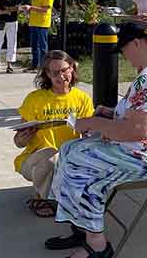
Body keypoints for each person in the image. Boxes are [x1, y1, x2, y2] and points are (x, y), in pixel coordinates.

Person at [44, 22, 147, 258]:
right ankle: (82, 226)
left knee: (80, 161)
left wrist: (91, 123)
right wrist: (111, 114)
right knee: (69, 149)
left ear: (137, 43)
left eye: (124, 50)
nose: (124, 56)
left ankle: (97, 245)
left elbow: (136, 131)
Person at [14, 50, 94, 218]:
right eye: (55, 72)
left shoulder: (82, 98)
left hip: (70, 157)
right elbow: (18, 143)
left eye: (65, 70)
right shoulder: (35, 99)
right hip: (36, 160)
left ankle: (60, 195)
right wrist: (23, 137)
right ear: (47, 75)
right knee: (52, 156)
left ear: (72, 68)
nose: (62, 76)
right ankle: (41, 199)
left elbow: (90, 134)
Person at [24, 0, 55, 72]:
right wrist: (28, 10)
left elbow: (45, 9)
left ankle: (43, 67)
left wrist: (31, 7)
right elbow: (35, 6)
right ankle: (34, 65)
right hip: (33, 22)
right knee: (34, 45)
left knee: (42, 47)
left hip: (42, 23)